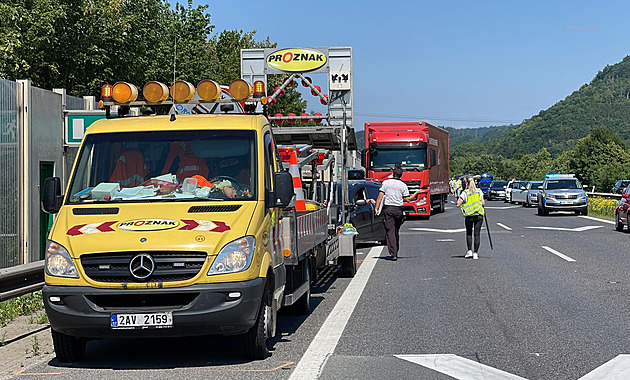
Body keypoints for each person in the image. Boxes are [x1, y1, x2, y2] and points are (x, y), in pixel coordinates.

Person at [374, 166, 422, 261]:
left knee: (390, 230)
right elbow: (407, 199)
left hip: (388, 209)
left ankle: (393, 252)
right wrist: (417, 193)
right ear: (401, 175)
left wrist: (377, 208)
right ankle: (395, 248)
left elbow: (380, 196)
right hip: (398, 210)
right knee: (395, 230)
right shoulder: (403, 185)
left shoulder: (386, 183)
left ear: (393, 173)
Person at [456, 176, 485, 260]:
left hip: (469, 216)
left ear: (467, 184)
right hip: (479, 215)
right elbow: (483, 202)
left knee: (469, 233)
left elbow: (458, 204)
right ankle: (475, 253)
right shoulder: (479, 192)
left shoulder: (465, 192)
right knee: (477, 234)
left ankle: (469, 251)